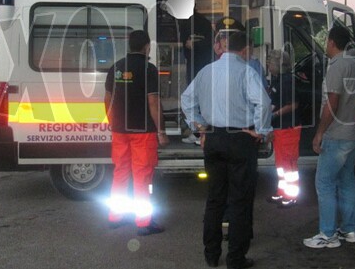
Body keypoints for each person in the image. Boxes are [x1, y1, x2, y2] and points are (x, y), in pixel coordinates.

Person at [181, 31, 272, 269]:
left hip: (213, 138)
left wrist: (200, 127)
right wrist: (261, 130)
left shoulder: (205, 72)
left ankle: (211, 255)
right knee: (240, 201)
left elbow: (186, 100)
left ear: (225, 47)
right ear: (243, 51)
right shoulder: (246, 72)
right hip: (240, 139)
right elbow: (263, 102)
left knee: (215, 198)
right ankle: (235, 258)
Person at [303, 26, 355, 249]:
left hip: (336, 134)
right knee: (347, 181)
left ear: (331, 42)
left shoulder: (336, 67)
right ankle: (350, 229)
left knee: (325, 183)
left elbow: (332, 102)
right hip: (354, 132)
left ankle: (328, 234)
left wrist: (319, 133)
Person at [104, 30, 169, 236]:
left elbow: (107, 99)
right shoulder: (148, 69)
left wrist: (112, 121)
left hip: (119, 130)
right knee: (142, 175)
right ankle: (144, 222)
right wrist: (161, 131)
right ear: (147, 46)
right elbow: (153, 102)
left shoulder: (116, 68)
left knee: (120, 172)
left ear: (129, 46)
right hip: (143, 132)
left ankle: (116, 216)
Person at [265, 49, 301, 208]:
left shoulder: (287, 81)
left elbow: (293, 104)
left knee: (288, 164)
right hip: (281, 127)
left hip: (288, 127)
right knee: (281, 164)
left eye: (270, 62)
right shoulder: (279, 79)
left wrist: (275, 114)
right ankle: (282, 192)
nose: (268, 65)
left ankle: (291, 196)